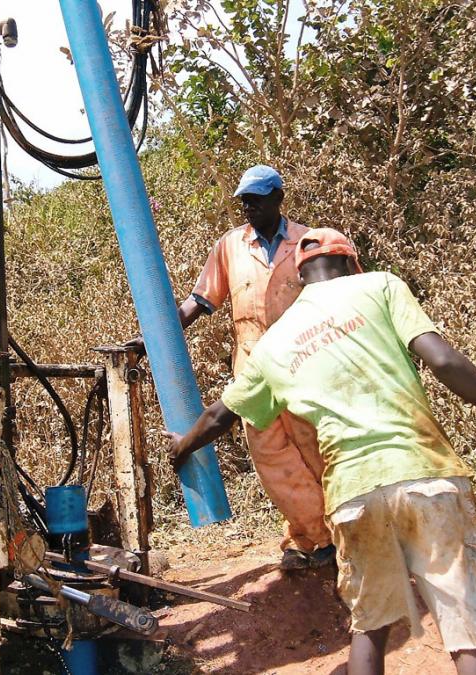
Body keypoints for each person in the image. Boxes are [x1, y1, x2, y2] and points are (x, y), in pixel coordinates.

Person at [163, 228, 476, 675]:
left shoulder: (273, 343)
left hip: (352, 495)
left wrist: (182, 446)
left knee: (370, 629)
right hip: (426, 474)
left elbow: (219, 416)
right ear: (350, 263)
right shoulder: (380, 286)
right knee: (467, 636)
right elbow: (442, 360)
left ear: (299, 279)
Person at [128, 165, 334, 569]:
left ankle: (332, 536)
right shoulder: (230, 247)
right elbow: (198, 302)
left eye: (256, 200)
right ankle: (308, 537)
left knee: (315, 451)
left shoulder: (307, 241)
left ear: (278, 198)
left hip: (305, 365)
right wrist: (153, 337)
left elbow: (334, 301)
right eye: (244, 201)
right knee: (273, 458)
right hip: (254, 369)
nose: (248, 208)